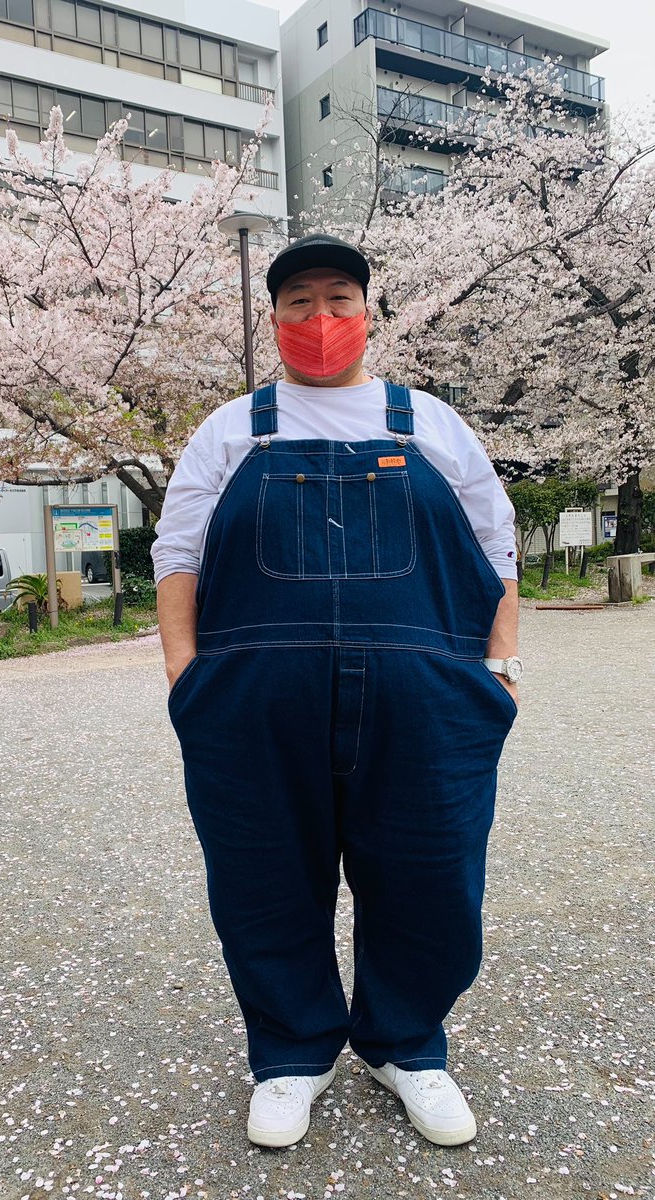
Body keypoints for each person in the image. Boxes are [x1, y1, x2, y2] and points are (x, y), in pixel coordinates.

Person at [151, 234, 521, 1149]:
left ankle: (409, 1046)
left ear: (368, 312)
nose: (320, 319)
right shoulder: (233, 430)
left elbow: (497, 545)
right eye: (299, 303)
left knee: (434, 876)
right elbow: (178, 554)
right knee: (264, 878)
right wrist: (187, 676)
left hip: (427, 701)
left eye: (339, 300)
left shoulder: (428, 423)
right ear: (275, 319)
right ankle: (291, 1055)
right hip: (252, 703)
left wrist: (499, 667)